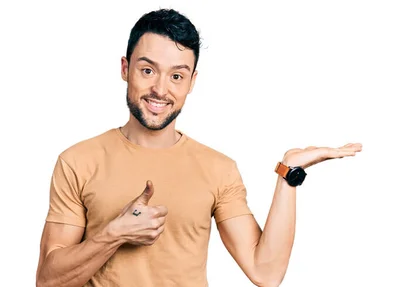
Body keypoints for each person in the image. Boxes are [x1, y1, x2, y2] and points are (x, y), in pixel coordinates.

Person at [35, 8, 362, 287]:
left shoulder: (218, 168)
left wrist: (289, 172)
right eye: (147, 70)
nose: (160, 89)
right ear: (125, 69)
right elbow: (48, 280)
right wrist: (114, 234)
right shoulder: (78, 161)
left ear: (192, 82)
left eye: (177, 76)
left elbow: (266, 271)